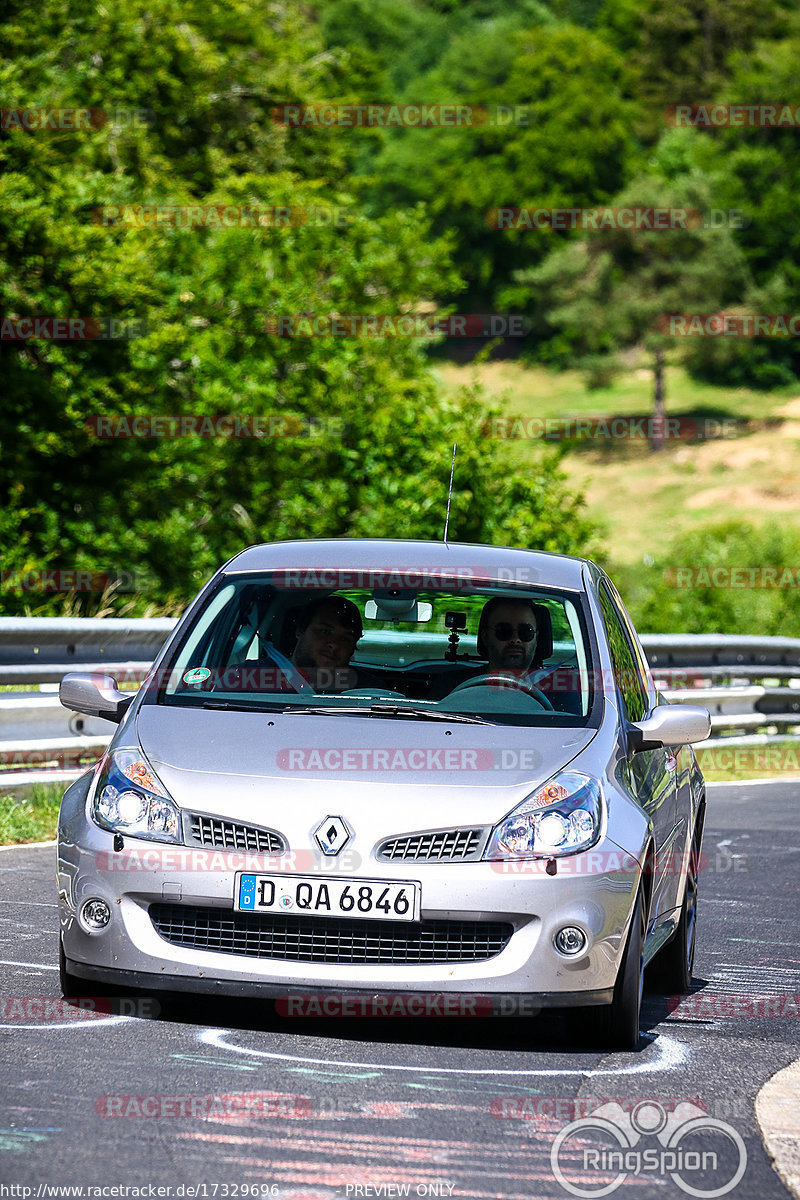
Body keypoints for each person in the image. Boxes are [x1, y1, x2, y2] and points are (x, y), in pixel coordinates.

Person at [289, 595, 363, 692]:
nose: (335, 645)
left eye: (345, 639)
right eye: (325, 632)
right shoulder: (264, 677)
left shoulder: (367, 689)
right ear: (300, 631)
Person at [476, 597, 542, 674]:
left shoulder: (552, 684)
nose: (515, 639)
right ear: (485, 637)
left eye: (525, 632)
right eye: (504, 631)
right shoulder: (461, 683)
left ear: (536, 638)